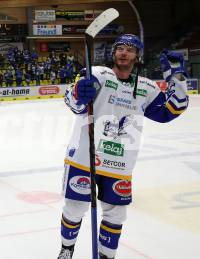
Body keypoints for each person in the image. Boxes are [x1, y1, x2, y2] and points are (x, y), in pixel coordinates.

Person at [57, 34, 189, 259]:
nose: (124, 52)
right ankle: (66, 250)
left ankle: (106, 256)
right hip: (85, 157)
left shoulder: (147, 88)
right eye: (120, 48)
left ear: (137, 56)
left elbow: (172, 109)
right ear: (114, 53)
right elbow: (73, 102)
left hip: (120, 164)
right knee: (74, 208)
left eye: (130, 49)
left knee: (115, 215)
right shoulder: (98, 73)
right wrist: (79, 94)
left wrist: (175, 76)